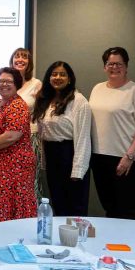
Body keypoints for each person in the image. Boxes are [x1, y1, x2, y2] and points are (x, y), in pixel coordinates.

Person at [89, 47, 135, 220]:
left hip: (128, 159)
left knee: (128, 213)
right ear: (104, 67)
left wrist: (129, 157)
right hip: (100, 158)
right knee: (111, 210)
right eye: (110, 63)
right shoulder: (97, 88)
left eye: (119, 64)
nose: (114, 67)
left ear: (126, 66)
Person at [33, 61, 91, 216]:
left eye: (62, 74)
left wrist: (78, 170)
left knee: (74, 207)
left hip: (70, 155)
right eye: (54, 74)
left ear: (70, 79)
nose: (57, 77)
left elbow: (83, 138)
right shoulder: (46, 100)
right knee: (58, 204)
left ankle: (76, 233)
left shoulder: (79, 101)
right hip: (52, 156)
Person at [0, 67, 36, 224]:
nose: (4, 84)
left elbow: (12, 135)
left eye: (8, 81)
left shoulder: (17, 105)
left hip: (15, 166)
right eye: (1, 81)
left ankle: (15, 237)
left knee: (12, 204)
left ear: (17, 84)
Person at [8, 48, 44, 199]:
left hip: (30, 138)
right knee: (10, 182)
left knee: (29, 182)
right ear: (12, 61)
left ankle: (31, 212)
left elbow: (41, 114)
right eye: (17, 57)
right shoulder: (5, 82)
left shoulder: (36, 84)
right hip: (7, 139)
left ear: (29, 62)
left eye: (24, 57)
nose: (20, 60)